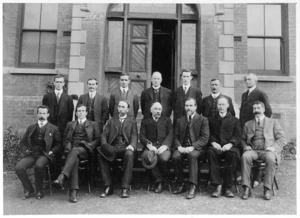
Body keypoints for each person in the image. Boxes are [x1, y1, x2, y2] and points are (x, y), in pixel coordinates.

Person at [53, 104, 100, 203]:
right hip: (72, 151)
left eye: (83, 111)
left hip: (85, 150)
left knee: (74, 151)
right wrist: (68, 145)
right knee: (75, 160)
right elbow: (65, 139)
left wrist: (89, 145)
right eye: (79, 111)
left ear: (86, 112)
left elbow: (97, 139)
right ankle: (73, 192)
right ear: (76, 113)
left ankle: (62, 176)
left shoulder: (93, 124)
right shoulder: (70, 124)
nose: (81, 113)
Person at [240, 101, 286, 200]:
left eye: (258, 108)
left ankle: (267, 189)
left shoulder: (273, 122)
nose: (256, 110)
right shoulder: (248, 124)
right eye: (254, 109)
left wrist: (273, 148)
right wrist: (245, 146)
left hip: (267, 150)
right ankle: (246, 188)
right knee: (245, 156)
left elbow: (282, 138)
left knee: (270, 158)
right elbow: (242, 139)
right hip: (253, 150)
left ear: (264, 109)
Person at [15, 105, 62, 200]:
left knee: (39, 166)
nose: (42, 115)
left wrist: (52, 152)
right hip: (32, 154)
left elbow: (59, 144)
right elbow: (23, 142)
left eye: (44, 113)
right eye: (40, 113)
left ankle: (39, 190)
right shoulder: (31, 127)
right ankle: (29, 188)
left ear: (48, 115)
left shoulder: (53, 128)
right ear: (37, 114)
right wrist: (25, 150)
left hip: (45, 154)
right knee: (19, 167)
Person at [98, 101, 138, 198]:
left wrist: (132, 145)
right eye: (119, 106)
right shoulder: (112, 121)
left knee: (129, 154)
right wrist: (104, 145)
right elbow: (104, 134)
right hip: (113, 147)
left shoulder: (132, 121)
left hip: (126, 147)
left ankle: (125, 187)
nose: (120, 109)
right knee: (100, 155)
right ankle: (108, 186)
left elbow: (134, 134)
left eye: (123, 107)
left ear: (127, 109)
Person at [172, 98, 209, 199]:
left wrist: (192, 147)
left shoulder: (203, 120)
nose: (188, 108)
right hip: (182, 147)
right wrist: (179, 146)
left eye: (191, 105)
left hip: (197, 149)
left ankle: (193, 185)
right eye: (186, 106)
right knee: (175, 156)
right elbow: (175, 136)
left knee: (192, 156)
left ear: (195, 107)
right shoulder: (180, 120)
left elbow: (204, 138)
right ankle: (180, 183)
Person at [207, 97, 241, 198]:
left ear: (228, 106)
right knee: (210, 152)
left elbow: (238, 135)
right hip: (216, 146)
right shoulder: (211, 119)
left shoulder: (235, 120)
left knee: (233, 154)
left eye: (223, 104)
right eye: (219, 105)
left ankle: (227, 187)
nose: (221, 107)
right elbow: (207, 134)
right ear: (217, 106)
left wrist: (230, 144)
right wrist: (213, 143)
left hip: (230, 146)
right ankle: (217, 185)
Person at [140, 102, 174, 193]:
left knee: (163, 158)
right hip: (150, 147)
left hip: (163, 147)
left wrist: (165, 145)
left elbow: (171, 134)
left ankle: (161, 179)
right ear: (151, 110)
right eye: (155, 109)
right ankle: (159, 181)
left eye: (159, 109)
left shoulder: (167, 120)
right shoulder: (145, 121)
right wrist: (149, 145)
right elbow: (142, 136)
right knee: (148, 157)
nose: (158, 111)